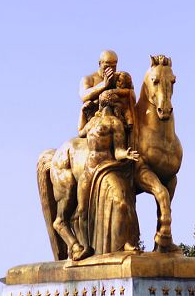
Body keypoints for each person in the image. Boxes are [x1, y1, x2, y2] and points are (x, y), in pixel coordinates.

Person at [75, 98, 140, 260]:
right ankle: (85, 246)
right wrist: (83, 113)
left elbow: (118, 150)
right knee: (82, 211)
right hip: (88, 169)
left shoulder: (115, 123)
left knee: (121, 202)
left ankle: (124, 242)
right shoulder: (92, 122)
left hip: (106, 168)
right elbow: (81, 132)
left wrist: (126, 154)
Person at [78, 50, 118, 132]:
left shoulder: (119, 79)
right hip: (95, 121)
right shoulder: (89, 79)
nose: (110, 70)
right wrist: (104, 85)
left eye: (113, 67)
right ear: (100, 63)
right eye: (107, 66)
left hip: (116, 119)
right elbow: (84, 95)